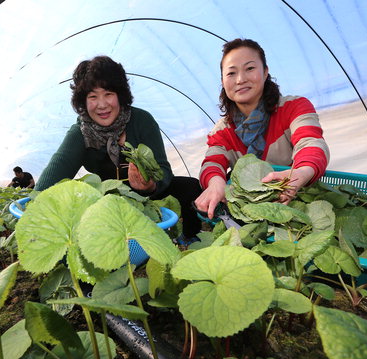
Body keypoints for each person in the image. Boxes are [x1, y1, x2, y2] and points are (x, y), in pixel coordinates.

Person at [35, 55, 202, 241]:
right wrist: (34, 206)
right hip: (108, 202)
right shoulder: (81, 133)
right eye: (93, 96)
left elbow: (163, 169)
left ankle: (189, 239)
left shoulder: (142, 121)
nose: (102, 104)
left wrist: (150, 186)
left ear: (120, 96)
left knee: (190, 187)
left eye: (108, 94)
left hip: (146, 197)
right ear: (83, 101)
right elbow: (58, 166)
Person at [195, 38, 330, 219]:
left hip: (299, 201)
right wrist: (216, 184)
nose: (241, 79)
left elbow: (310, 143)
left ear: (265, 72)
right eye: (231, 73)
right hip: (251, 213)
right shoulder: (222, 131)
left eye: (250, 68)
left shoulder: (294, 107)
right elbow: (213, 163)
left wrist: (300, 174)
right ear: (223, 81)